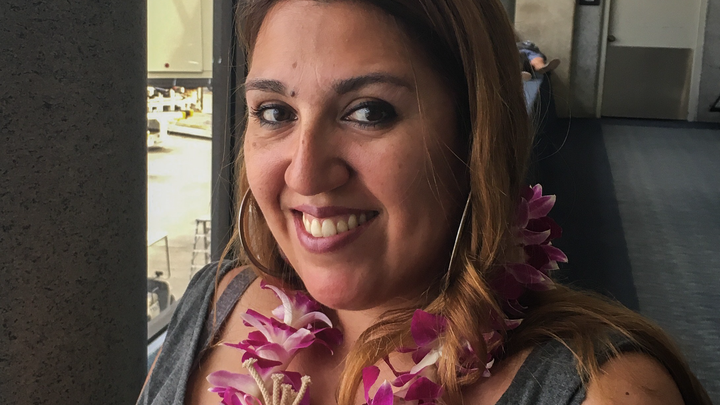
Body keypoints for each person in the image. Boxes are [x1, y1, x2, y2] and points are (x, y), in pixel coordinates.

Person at [138, 0, 712, 404]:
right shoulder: (213, 303)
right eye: (274, 112)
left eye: (369, 111)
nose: (306, 172)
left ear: (474, 136)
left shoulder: (602, 392)